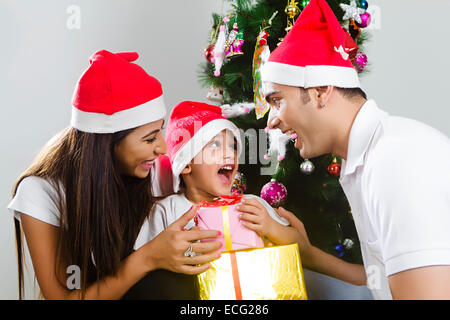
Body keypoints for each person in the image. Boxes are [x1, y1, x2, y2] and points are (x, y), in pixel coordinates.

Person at [250, 0, 450, 299]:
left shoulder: (395, 161)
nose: (271, 121)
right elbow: (385, 279)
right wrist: (307, 253)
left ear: (320, 91)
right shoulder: (368, 157)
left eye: (277, 100)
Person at [7, 50, 222, 300]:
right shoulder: (42, 192)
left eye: (160, 131)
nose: (163, 148)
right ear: (107, 143)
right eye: (150, 138)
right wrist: (149, 257)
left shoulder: (156, 171)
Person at [135, 101, 298, 255]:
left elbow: (298, 245)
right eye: (215, 145)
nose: (230, 154)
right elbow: (146, 257)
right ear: (185, 165)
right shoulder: (166, 211)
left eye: (233, 147)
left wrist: (272, 228)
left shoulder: (252, 205)